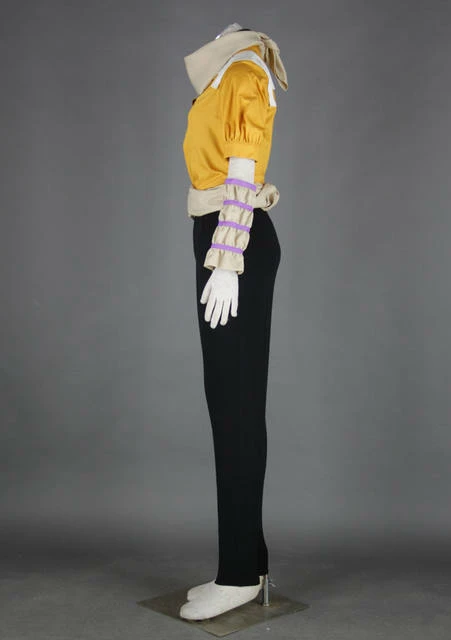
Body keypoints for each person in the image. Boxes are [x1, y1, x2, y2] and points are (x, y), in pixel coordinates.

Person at [179, 22, 288, 620]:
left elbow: (242, 174)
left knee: (236, 406)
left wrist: (227, 260)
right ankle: (250, 561)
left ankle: (240, 575)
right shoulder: (225, 75)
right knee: (231, 402)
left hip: (233, 240)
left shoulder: (244, 72)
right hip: (221, 234)